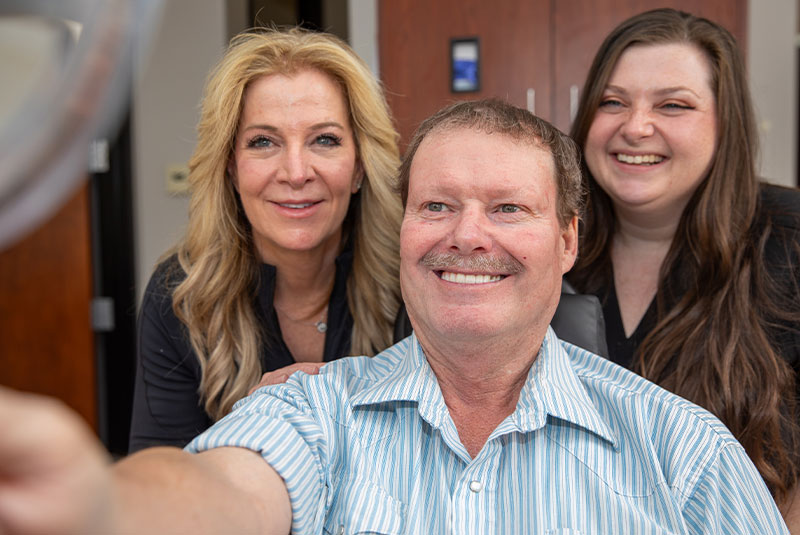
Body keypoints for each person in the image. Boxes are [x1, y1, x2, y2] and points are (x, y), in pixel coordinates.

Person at [0, 99, 787, 534]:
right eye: (437, 204)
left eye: (508, 207)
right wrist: (104, 506)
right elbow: (216, 492)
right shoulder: (309, 411)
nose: (466, 234)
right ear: (404, 229)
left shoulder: (682, 452)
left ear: (567, 237)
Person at [565, 7, 800, 519]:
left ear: (725, 122)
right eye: (612, 102)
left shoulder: (789, 240)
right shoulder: (551, 246)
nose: (636, 126)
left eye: (673, 105)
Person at [128, 27, 403, 452]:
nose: (295, 172)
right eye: (263, 142)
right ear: (231, 168)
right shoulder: (181, 295)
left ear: (360, 166)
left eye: (324, 140)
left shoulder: (412, 281)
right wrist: (257, 428)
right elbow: (158, 481)